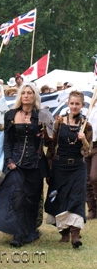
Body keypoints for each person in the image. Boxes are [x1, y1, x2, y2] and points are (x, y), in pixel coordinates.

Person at [0, 82, 49, 247]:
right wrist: (9, 160)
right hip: (16, 162)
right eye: (24, 93)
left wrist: (46, 131)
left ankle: (29, 230)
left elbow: (49, 140)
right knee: (17, 197)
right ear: (20, 96)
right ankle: (17, 233)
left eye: (29, 93)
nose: (26, 95)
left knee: (32, 198)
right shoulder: (10, 114)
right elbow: (8, 141)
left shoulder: (41, 115)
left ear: (34, 96)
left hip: (34, 163)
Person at [45, 90, 92, 248]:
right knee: (58, 198)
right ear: (67, 104)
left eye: (77, 104)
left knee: (77, 198)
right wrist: (48, 167)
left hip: (78, 167)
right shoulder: (59, 122)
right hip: (60, 166)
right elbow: (52, 146)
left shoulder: (87, 125)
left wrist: (84, 140)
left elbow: (88, 151)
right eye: (72, 103)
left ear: (82, 105)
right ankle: (63, 232)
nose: (74, 106)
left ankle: (75, 234)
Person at [85, 99, 97, 219]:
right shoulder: (88, 107)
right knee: (86, 179)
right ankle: (92, 209)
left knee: (94, 176)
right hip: (86, 144)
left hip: (96, 145)